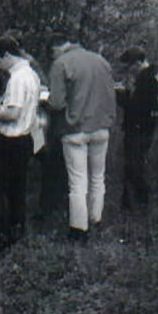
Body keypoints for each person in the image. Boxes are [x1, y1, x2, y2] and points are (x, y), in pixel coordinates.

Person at [48, 33, 116, 241]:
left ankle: (79, 229)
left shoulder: (61, 63)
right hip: (102, 126)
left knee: (78, 181)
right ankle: (96, 219)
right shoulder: (100, 60)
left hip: (75, 128)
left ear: (56, 49)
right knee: (98, 177)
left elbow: (57, 103)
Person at [0, 35, 42, 249]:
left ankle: (3, 236)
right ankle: (18, 229)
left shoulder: (17, 78)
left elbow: (13, 114)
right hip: (25, 138)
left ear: (6, 55)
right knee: (16, 189)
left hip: (13, 140)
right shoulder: (31, 74)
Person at [115, 46, 158, 211]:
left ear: (140, 62)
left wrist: (121, 95)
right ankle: (128, 201)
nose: (129, 70)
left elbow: (137, 107)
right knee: (132, 164)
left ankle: (141, 200)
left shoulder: (147, 79)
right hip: (143, 127)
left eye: (131, 66)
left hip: (140, 128)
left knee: (134, 165)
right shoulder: (149, 77)